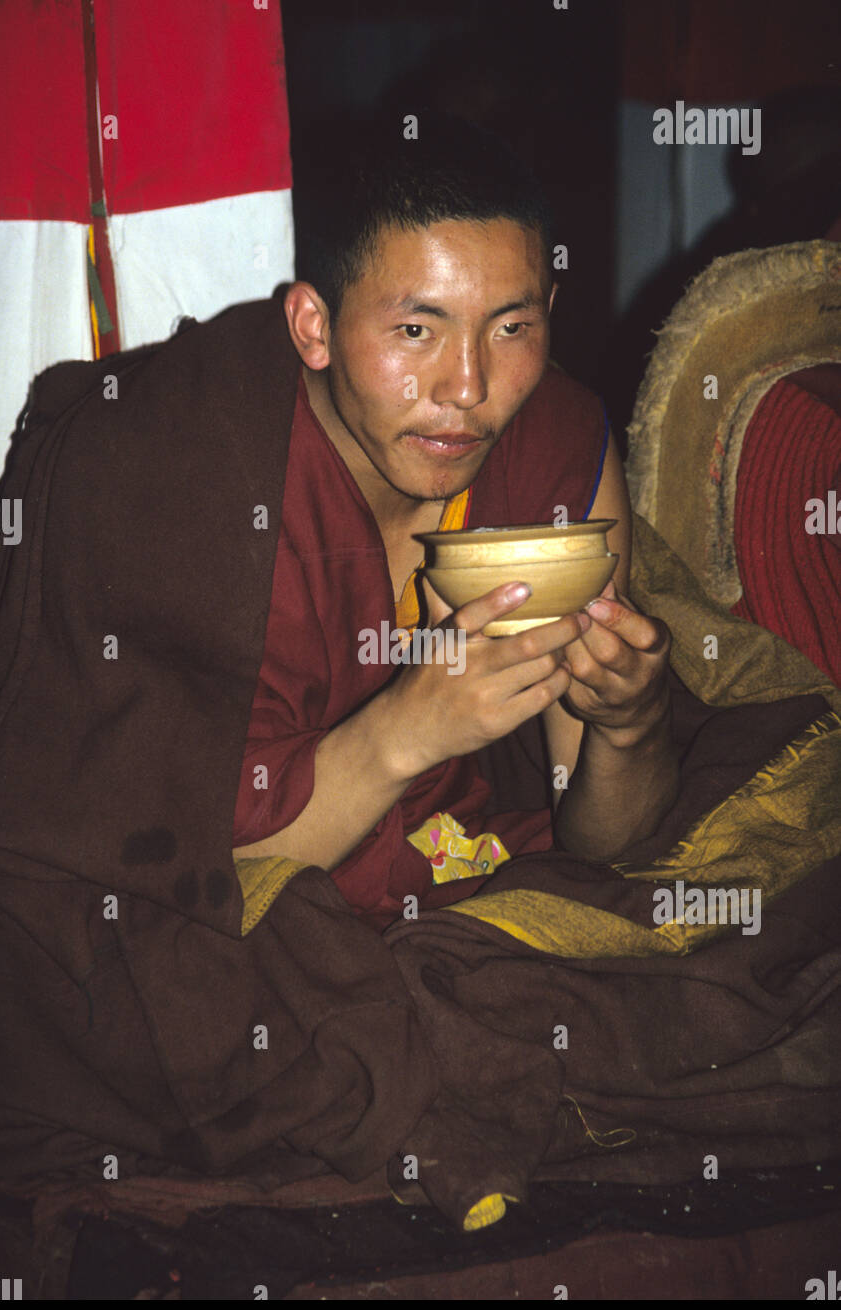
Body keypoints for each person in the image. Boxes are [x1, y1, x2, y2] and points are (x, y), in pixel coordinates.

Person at [231, 113, 679, 924]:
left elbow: (606, 850)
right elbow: (180, 872)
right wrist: (411, 729)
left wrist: (627, 730)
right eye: (414, 330)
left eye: (511, 329)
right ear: (315, 326)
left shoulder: (555, 437)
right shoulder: (224, 473)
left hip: (469, 876)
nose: (468, 388)